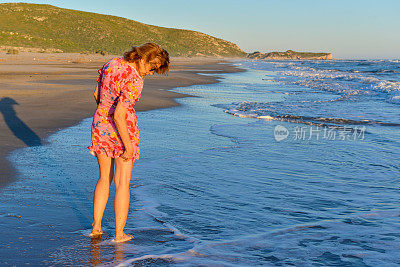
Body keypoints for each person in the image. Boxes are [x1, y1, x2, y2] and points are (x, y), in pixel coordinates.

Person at [87, 43, 170, 242]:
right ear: (143, 59)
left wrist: (104, 113)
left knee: (103, 179)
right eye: (152, 67)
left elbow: (97, 95)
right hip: (122, 130)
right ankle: (119, 234)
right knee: (122, 183)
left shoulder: (111, 64)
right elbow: (120, 115)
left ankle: (96, 227)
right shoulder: (134, 80)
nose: (151, 72)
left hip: (100, 125)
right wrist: (128, 144)